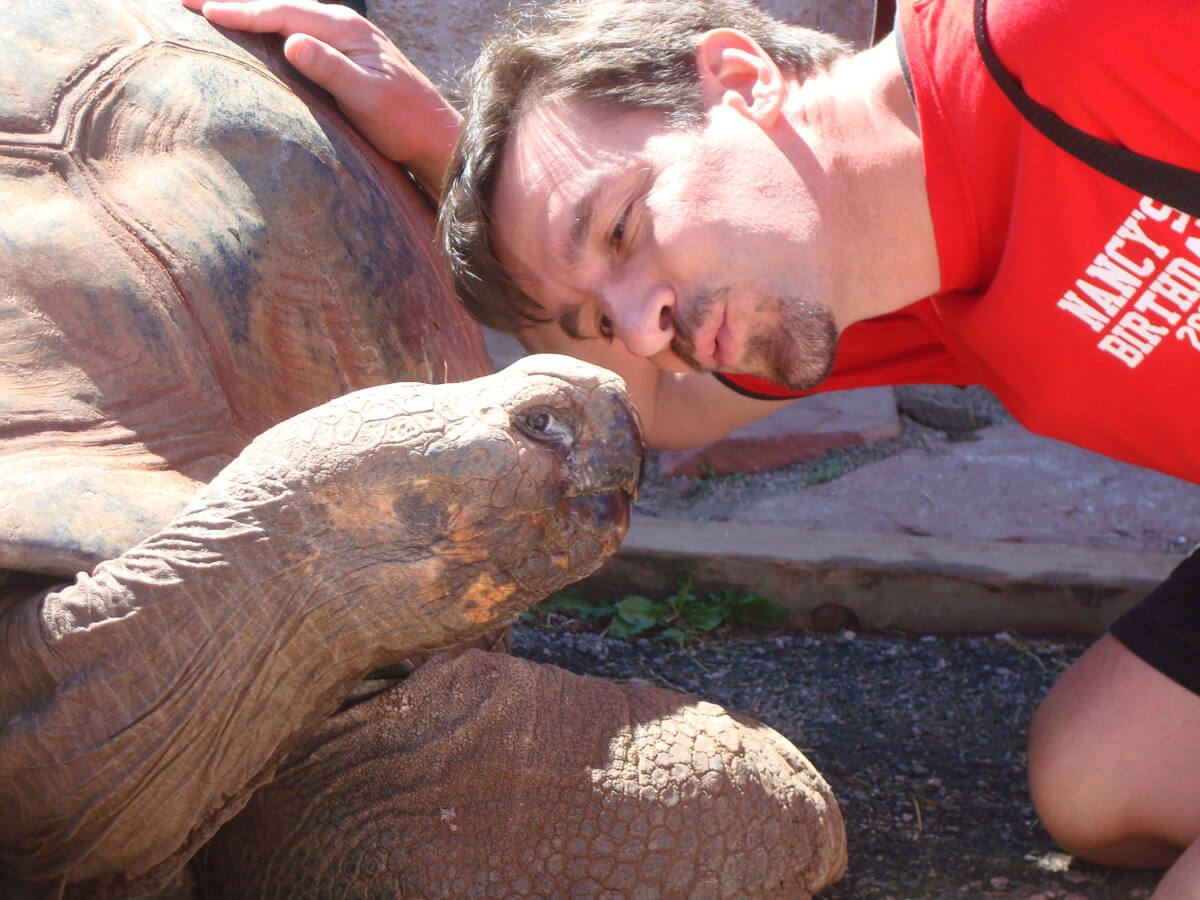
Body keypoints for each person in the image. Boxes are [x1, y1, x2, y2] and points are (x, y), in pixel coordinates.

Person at [185, 0, 1200, 894]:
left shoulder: (1065, 33)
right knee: (1099, 784)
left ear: (738, 80)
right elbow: (661, 410)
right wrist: (441, 153)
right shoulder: (877, 278)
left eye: (624, 229)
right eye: (597, 314)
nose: (637, 328)